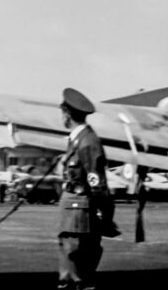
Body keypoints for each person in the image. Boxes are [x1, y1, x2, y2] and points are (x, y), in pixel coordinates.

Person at [57, 88, 119, 290]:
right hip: (73, 206)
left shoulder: (88, 142)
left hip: (81, 207)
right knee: (69, 248)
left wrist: (106, 215)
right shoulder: (76, 139)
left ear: (67, 114)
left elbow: (97, 184)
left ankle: (77, 284)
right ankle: (69, 282)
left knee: (78, 251)